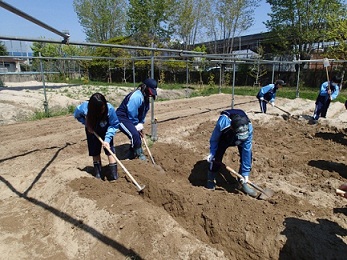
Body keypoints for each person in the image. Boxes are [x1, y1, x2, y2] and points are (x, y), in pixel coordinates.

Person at [206, 108, 258, 197]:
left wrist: (245, 174)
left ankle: (242, 182)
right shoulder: (223, 124)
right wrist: (212, 152)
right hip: (225, 138)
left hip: (241, 136)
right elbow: (214, 139)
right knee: (216, 158)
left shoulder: (248, 129)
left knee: (248, 157)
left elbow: (247, 151)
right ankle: (211, 179)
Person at [74, 93, 119, 181]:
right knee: (95, 151)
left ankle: (114, 175)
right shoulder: (84, 108)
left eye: (103, 108)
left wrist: (107, 140)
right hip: (92, 130)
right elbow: (76, 114)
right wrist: (86, 124)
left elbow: (114, 125)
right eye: (100, 110)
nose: (102, 111)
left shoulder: (109, 109)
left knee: (110, 151)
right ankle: (98, 174)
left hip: (106, 129)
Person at [116, 78, 158, 161]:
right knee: (134, 135)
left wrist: (140, 124)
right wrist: (135, 124)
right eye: (150, 91)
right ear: (145, 87)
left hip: (131, 118)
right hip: (122, 118)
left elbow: (143, 113)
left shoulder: (145, 98)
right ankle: (139, 154)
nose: (151, 94)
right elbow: (131, 112)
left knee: (137, 136)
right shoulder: (137, 96)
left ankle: (132, 154)